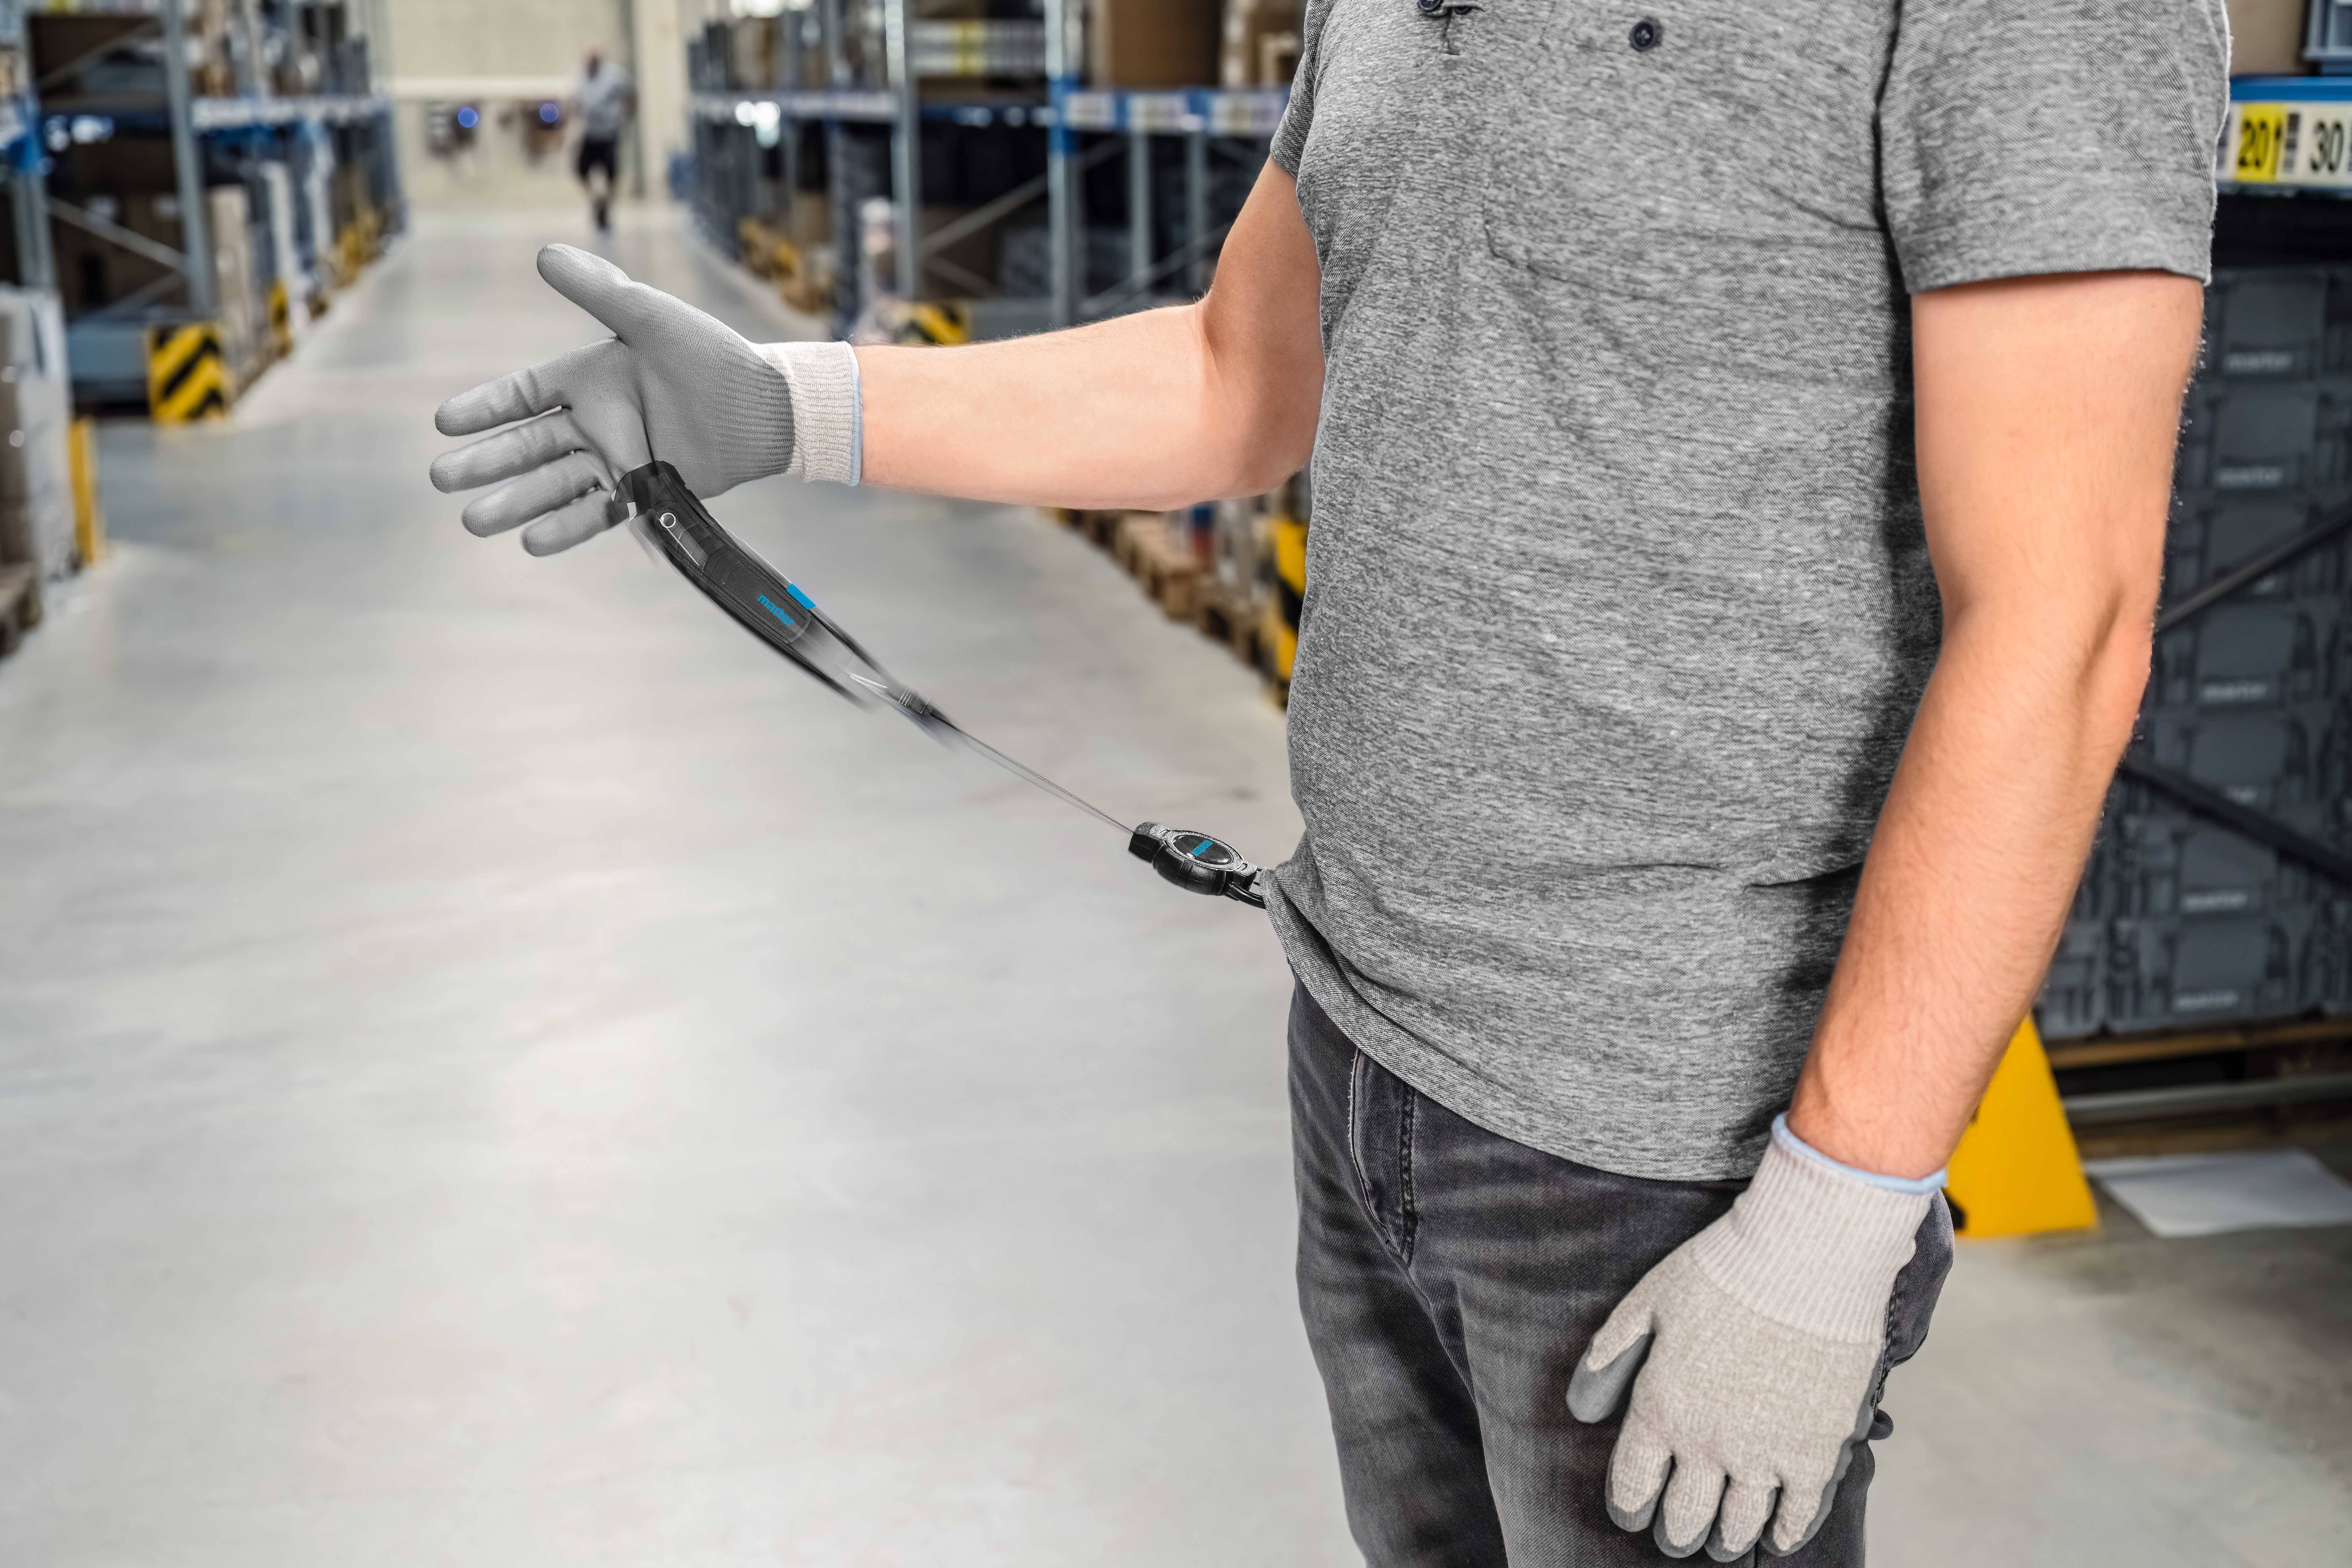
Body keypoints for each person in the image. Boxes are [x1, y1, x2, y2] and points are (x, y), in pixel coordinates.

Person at [430, 3, 2227, 1560]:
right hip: (1358, 1045)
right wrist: (789, 404)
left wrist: (1838, 1209)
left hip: (1655, 1141)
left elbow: (2061, 616)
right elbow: (1240, 375)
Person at [570, 47, 632, 235]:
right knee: (581, 170)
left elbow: (631, 95)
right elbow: (577, 104)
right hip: (590, 134)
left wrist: (627, 118)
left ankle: (606, 209)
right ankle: (597, 201)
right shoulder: (583, 80)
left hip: (609, 134)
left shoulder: (615, 78)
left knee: (611, 175)